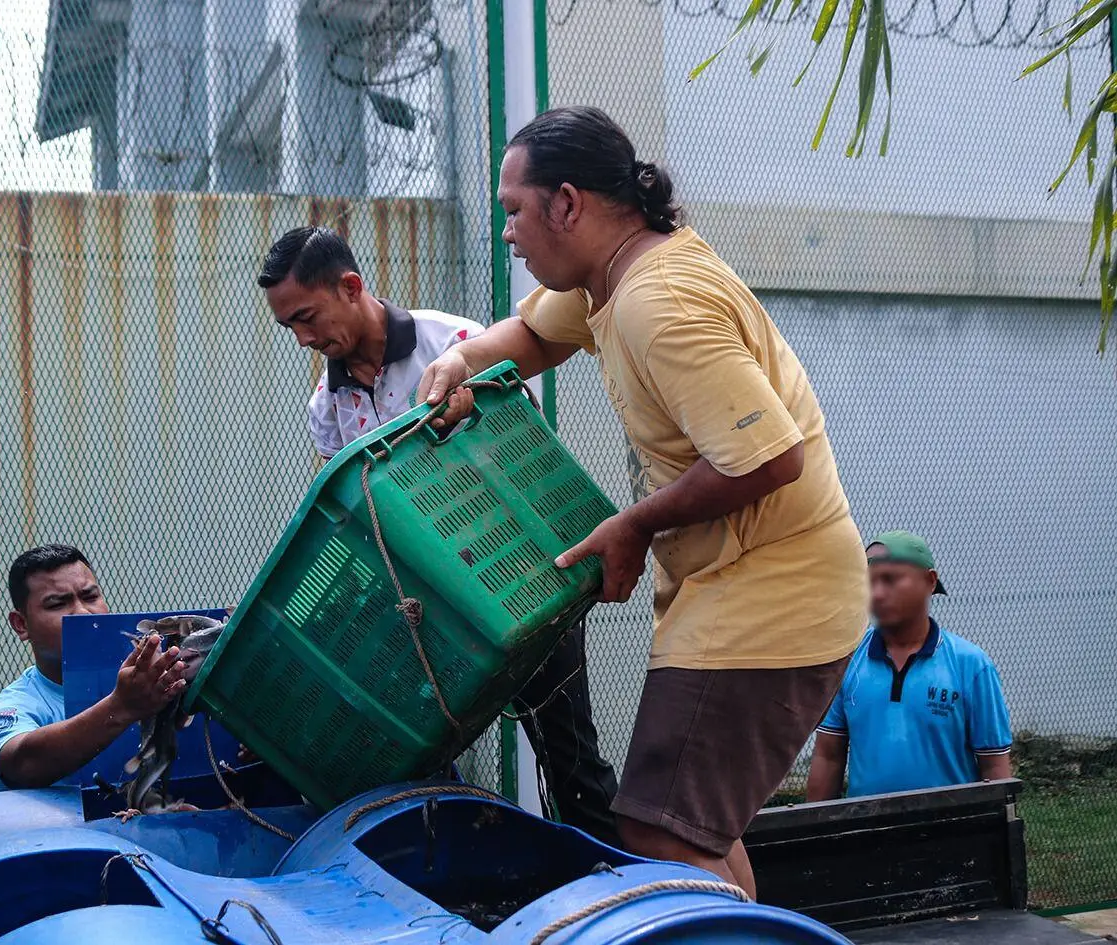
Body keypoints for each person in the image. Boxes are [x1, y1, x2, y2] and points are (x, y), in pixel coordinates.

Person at [419, 105, 868, 896]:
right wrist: (465, 363)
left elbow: (767, 458)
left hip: (772, 590)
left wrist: (632, 523)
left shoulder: (656, 302)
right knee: (692, 829)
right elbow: (535, 336)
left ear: (566, 203)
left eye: (513, 211)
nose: (507, 234)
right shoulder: (613, 278)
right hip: (741, 585)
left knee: (660, 827)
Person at [258, 225, 623, 846]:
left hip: (520, 580)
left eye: (307, 317)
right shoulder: (326, 405)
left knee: (568, 751)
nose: (304, 339)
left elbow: (522, 446)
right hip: (424, 606)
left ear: (351, 287)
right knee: (406, 748)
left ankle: (614, 881)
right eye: (289, 327)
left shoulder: (456, 342)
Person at [806, 531, 1013, 801]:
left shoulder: (971, 665)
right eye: (869, 582)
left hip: (952, 832)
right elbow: (828, 756)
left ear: (930, 581)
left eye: (891, 579)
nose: (877, 593)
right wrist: (818, 834)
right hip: (866, 831)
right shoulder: (847, 660)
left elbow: (994, 766)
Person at [0, 544, 187, 791]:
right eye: (57, 604)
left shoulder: (155, 678)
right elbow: (22, 763)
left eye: (90, 597)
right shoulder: (17, 707)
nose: (82, 612)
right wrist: (122, 707)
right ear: (21, 624)